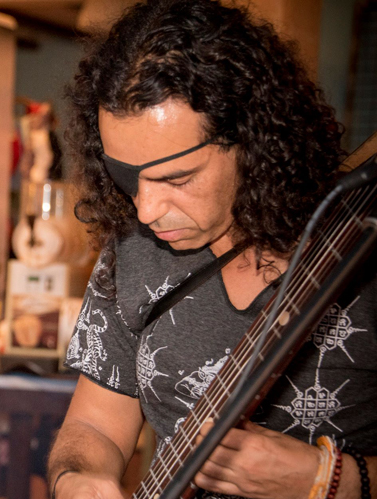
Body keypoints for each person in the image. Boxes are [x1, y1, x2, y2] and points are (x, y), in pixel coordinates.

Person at [47, 1, 376, 498]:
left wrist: (334, 480)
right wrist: (79, 477)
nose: (146, 210)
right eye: (127, 177)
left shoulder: (363, 247)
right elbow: (94, 425)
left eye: (178, 179)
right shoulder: (134, 250)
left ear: (253, 140)